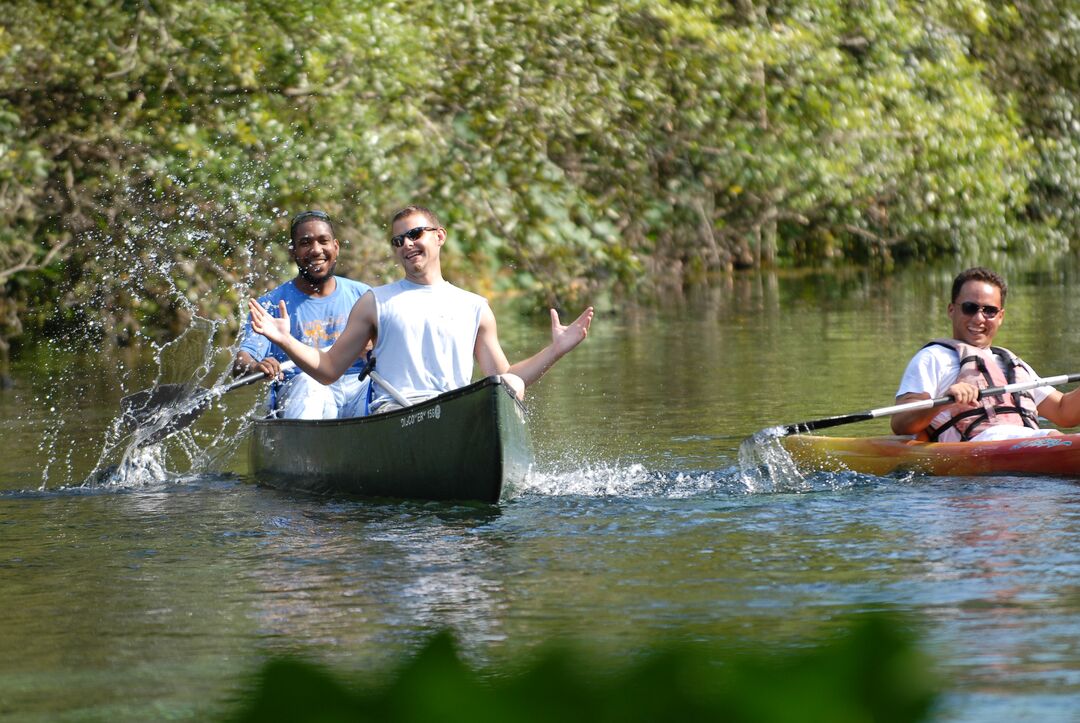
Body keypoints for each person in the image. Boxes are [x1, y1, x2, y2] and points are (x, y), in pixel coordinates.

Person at [247, 204, 594, 413]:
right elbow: (328, 371)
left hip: (453, 411)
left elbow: (503, 378)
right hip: (398, 412)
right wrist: (287, 340)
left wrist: (557, 350)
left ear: (439, 236)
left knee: (509, 387)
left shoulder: (474, 306)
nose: (407, 245)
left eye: (415, 234)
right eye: (399, 241)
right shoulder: (374, 301)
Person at [891, 266, 1080, 441]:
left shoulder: (1010, 363)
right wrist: (942, 402)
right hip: (976, 452)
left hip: (1029, 444)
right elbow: (900, 422)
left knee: (1056, 437)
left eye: (989, 311)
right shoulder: (932, 358)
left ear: (1000, 316)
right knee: (1054, 436)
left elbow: (1063, 411)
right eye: (969, 308)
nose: (979, 318)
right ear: (951, 310)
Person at [234, 210, 372, 419]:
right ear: (293, 251)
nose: (316, 250)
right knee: (310, 383)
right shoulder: (270, 305)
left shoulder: (364, 295)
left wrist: (378, 345)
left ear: (335, 247)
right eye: (306, 243)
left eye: (323, 241)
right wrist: (255, 366)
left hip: (358, 386)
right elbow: (241, 362)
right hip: (304, 390)